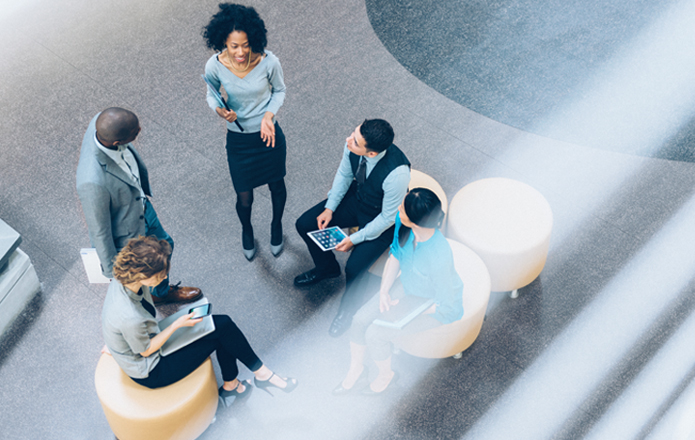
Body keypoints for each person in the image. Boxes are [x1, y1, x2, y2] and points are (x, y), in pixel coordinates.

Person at [101, 236, 298, 407]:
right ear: (143, 275)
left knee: (223, 324)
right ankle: (250, 379)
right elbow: (145, 350)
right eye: (160, 276)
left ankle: (250, 378)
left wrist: (118, 342)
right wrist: (176, 324)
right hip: (152, 369)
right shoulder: (129, 317)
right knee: (221, 334)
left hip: (146, 340)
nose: (162, 280)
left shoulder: (125, 280)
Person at [334, 188, 464, 395]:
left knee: (376, 334)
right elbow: (395, 254)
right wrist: (384, 291)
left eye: (402, 209)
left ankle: (387, 375)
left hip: (432, 305)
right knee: (359, 319)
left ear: (416, 221)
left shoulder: (439, 256)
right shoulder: (404, 226)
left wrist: (405, 310)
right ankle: (357, 369)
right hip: (408, 287)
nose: (397, 209)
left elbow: (445, 303)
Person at [294, 119, 411, 337]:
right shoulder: (351, 145)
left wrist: (354, 240)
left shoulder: (397, 174)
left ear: (372, 153)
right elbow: (344, 176)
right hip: (358, 199)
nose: (348, 140)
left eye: (355, 141)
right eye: (353, 134)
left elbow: (387, 217)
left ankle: (348, 311)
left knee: (354, 268)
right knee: (305, 223)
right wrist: (330, 208)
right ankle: (326, 268)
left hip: (379, 217)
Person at [76, 107, 201, 305]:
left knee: (166, 246)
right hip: (128, 232)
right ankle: (154, 297)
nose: (140, 130)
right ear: (117, 142)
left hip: (141, 206)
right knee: (148, 268)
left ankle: (158, 292)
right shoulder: (92, 182)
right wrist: (112, 271)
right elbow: (99, 230)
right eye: (135, 132)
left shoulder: (102, 123)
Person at [203, 3, 287, 261]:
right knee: (244, 196)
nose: (240, 52)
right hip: (239, 140)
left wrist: (268, 116)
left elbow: (279, 91)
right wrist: (221, 112)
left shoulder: (269, 61)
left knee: (277, 185)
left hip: (268, 134)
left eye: (246, 44)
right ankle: (247, 229)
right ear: (223, 43)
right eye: (233, 46)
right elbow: (212, 95)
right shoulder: (214, 66)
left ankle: (276, 226)